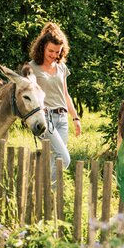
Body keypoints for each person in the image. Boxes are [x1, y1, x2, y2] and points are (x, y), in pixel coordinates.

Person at [26, 22, 80, 184]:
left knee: (54, 161)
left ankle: (43, 194)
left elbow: (65, 94)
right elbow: (28, 94)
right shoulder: (32, 68)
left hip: (62, 119)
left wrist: (75, 118)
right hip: (45, 119)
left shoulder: (61, 67)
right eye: (51, 51)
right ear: (42, 47)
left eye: (57, 52)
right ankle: (48, 192)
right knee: (64, 159)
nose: (54, 55)